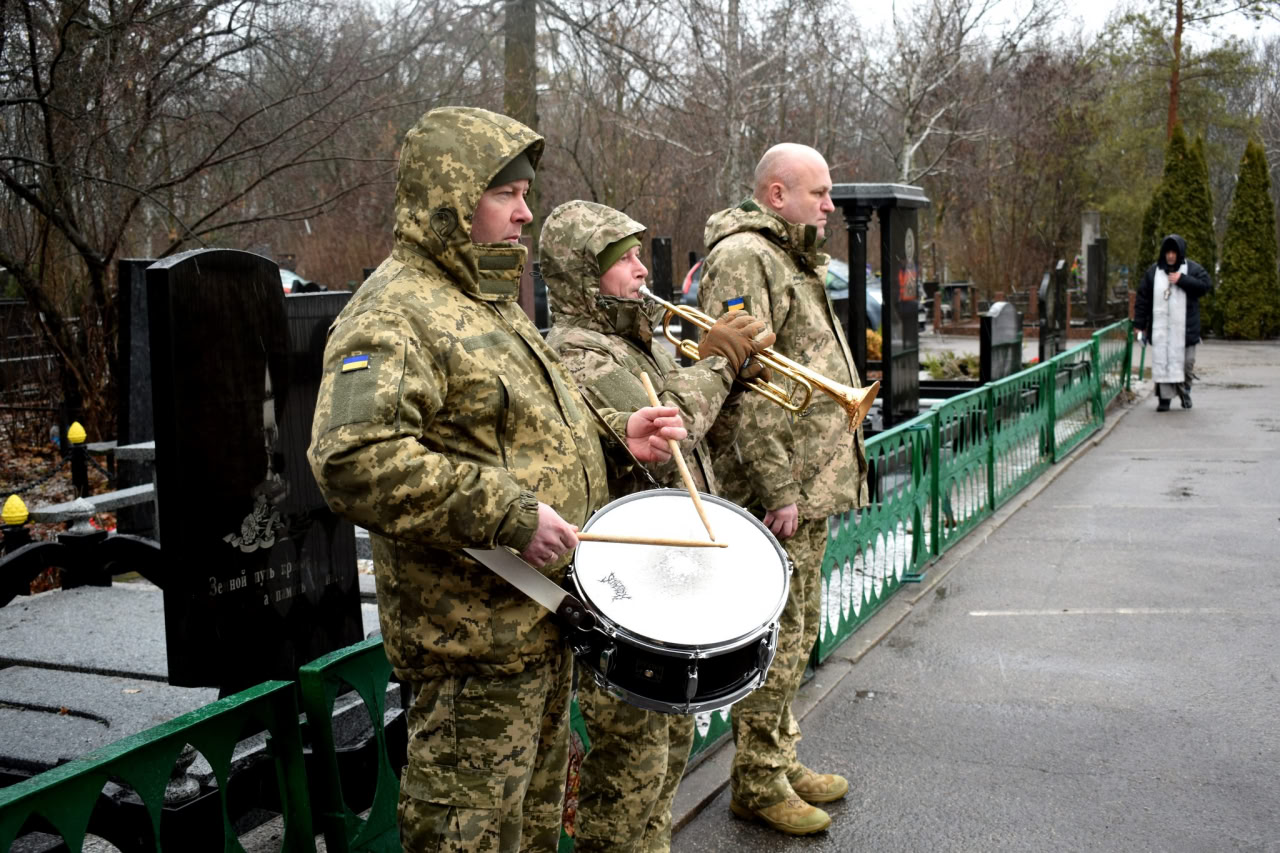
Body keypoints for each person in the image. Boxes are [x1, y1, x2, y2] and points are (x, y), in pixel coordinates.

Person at [306, 106, 687, 853]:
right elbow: (350, 457)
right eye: (506, 193)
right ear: (452, 195)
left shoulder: (485, 301)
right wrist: (510, 513)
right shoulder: (393, 312)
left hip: (540, 624)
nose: (526, 211)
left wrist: (621, 434)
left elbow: (513, 427)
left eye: (526, 192)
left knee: (535, 834)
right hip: (471, 649)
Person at [539, 199, 776, 853]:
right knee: (628, 778)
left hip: (668, 586)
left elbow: (699, 432)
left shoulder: (634, 341)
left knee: (665, 761)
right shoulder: (581, 352)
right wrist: (721, 363)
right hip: (626, 594)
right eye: (626, 260)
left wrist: (737, 377)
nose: (644, 268)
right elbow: (668, 433)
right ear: (586, 275)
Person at [697, 143, 870, 836]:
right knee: (778, 634)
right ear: (777, 194)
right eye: (818, 193)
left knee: (797, 631)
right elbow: (747, 385)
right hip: (780, 489)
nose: (830, 205)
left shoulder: (786, 256)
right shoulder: (745, 258)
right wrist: (778, 484)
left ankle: (778, 753)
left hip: (809, 481)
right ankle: (758, 780)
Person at [1135, 234, 1213, 411]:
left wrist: (1182, 280)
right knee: (1164, 362)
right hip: (1162, 329)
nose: (1170, 256)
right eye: (1168, 252)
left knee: (1186, 364)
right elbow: (1143, 300)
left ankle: (1185, 391)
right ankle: (1165, 399)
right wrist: (1139, 325)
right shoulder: (1153, 272)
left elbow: (1205, 285)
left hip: (1186, 329)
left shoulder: (1191, 269)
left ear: (1180, 253)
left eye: (1174, 252)